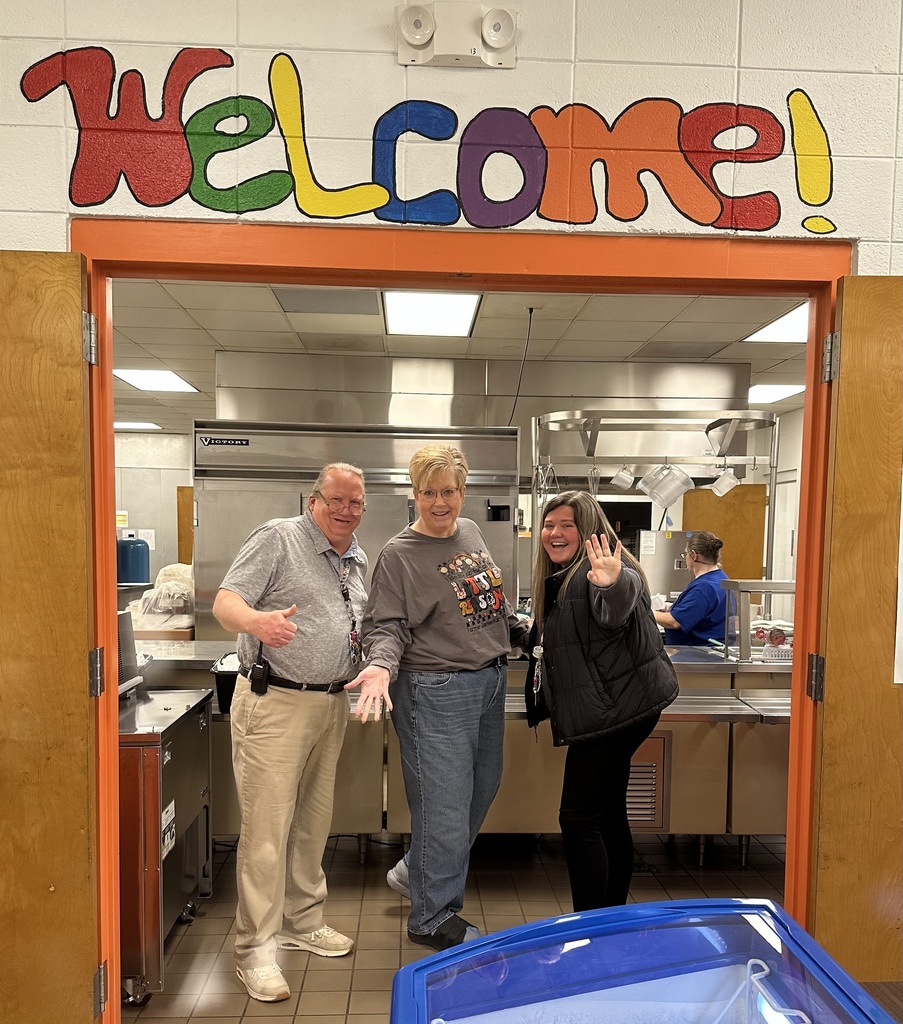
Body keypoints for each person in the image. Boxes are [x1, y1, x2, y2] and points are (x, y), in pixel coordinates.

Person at [347, 443, 529, 951]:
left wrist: (518, 632)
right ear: (415, 494)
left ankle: (418, 871)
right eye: (429, 492)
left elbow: (484, 603)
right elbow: (384, 626)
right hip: (436, 690)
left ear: (463, 491)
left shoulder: (470, 533)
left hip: (490, 681)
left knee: (482, 788)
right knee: (444, 807)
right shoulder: (399, 555)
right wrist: (381, 667)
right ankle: (430, 917)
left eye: (448, 491)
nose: (440, 502)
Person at [212, 462, 367, 1002]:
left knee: (312, 824)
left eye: (356, 504)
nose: (346, 511)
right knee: (266, 833)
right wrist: (257, 623)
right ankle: (255, 950)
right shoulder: (278, 539)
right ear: (313, 500)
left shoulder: (356, 558)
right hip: (274, 702)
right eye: (337, 501)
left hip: (330, 704)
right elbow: (225, 601)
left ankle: (303, 921)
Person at [526, 491, 678, 911]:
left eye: (567, 525)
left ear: (590, 530)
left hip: (613, 713)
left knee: (577, 820)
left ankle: (590, 928)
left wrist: (611, 583)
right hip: (621, 707)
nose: (555, 533)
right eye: (549, 524)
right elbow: (572, 635)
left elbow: (614, 607)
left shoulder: (602, 572)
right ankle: (611, 917)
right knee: (607, 815)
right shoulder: (566, 577)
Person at [653, 530, 732, 646]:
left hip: (698, 655)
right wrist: (670, 608)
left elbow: (674, 622)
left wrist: (645, 611)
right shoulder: (720, 577)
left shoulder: (704, 587)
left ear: (694, 556)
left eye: (686, 554)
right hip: (709, 652)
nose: (685, 558)